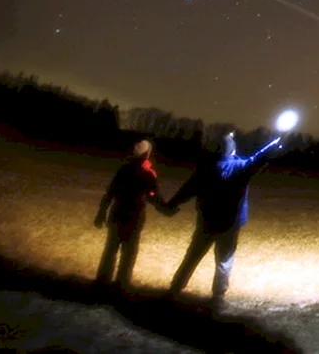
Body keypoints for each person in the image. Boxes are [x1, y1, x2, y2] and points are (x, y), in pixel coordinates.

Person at [165, 129, 281, 305]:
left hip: (207, 221)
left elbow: (187, 190)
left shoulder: (205, 169)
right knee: (224, 260)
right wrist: (273, 145)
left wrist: (172, 204)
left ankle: (175, 288)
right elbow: (258, 158)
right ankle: (218, 296)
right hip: (230, 224)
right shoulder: (241, 167)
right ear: (233, 151)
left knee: (193, 255)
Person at [94, 139, 175, 289]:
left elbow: (110, 192)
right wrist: (166, 209)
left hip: (117, 213)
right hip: (134, 217)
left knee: (111, 250)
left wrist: (101, 213)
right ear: (146, 154)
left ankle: (102, 282)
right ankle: (121, 283)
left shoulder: (124, 169)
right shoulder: (147, 173)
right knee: (128, 253)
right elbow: (153, 196)